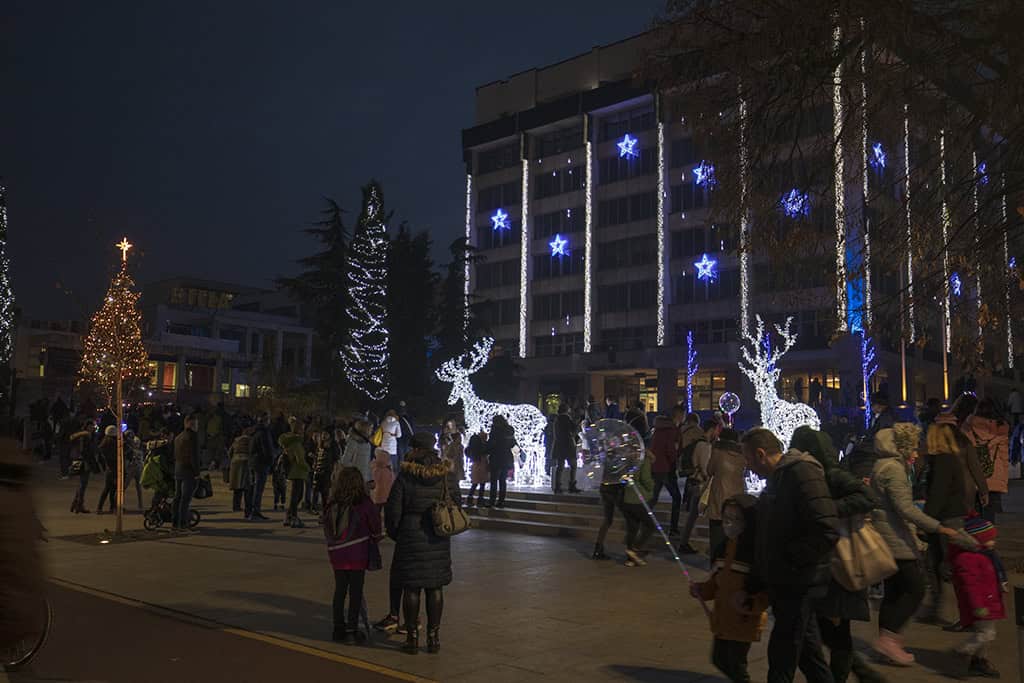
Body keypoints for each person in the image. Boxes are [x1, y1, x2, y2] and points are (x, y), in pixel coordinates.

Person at [740, 427, 838, 683]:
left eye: (749, 460)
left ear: (761, 454)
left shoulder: (801, 473)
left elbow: (826, 529)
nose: (748, 467)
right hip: (787, 579)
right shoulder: (778, 478)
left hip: (800, 580)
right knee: (808, 653)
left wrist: (791, 560)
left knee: (782, 652)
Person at [790, 426, 884, 683]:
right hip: (826, 560)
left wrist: (829, 510)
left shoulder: (831, 474)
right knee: (826, 630)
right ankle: (862, 674)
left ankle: (846, 676)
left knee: (836, 630)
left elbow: (867, 497)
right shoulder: (809, 473)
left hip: (840, 561)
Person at [871, 424, 966, 665]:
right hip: (897, 538)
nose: (916, 453)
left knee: (894, 591)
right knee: (915, 589)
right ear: (900, 448)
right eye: (912, 448)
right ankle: (889, 640)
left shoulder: (882, 465)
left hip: (888, 536)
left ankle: (888, 643)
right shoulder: (893, 469)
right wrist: (937, 526)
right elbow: (904, 508)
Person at [385, 432, 462, 654]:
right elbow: (456, 501)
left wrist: (397, 533)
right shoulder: (446, 473)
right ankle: (433, 637)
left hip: (410, 534)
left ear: (415, 449)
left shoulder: (406, 475)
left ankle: (412, 637)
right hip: (437, 535)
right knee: (435, 587)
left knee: (411, 587)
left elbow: (393, 509)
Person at [692, 494, 770, 683]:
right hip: (723, 617)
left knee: (736, 665)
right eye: (727, 519)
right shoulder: (723, 548)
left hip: (743, 619)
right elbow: (717, 582)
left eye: (737, 519)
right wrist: (702, 590)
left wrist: (751, 603)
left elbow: (766, 588)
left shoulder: (756, 552)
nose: (730, 524)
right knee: (719, 659)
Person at [918, 420, 970, 626]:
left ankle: (966, 613)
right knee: (940, 564)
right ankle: (941, 608)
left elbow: (938, 493)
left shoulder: (943, 460)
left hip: (945, 518)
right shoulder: (949, 459)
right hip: (951, 516)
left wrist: (926, 520)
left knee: (948, 566)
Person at [323, 466, 381, 644]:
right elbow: (376, 527)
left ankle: (337, 628)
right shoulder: (363, 503)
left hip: (337, 554)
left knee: (339, 591)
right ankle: (351, 630)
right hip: (358, 554)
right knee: (356, 593)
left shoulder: (332, 503)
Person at [948, 516, 1006, 678]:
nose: (993, 542)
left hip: (989, 601)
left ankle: (978, 660)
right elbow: (970, 587)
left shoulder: (981, 554)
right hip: (982, 605)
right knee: (987, 634)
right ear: (977, 540)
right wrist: (978, 605)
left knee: (985, 634)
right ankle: (962, 651)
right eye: (990, 539)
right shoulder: (968, 558)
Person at [963, 398, 1010, 523]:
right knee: (990, 514)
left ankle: (976, 538)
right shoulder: (1001, 429)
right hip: (994, 475)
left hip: (973, 475)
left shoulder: (968, 427)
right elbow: (1004, 457)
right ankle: (987, 537)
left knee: (973, 513)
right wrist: (1003, 480)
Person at [704, 428, 746, 555]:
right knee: (734, 533)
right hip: (737, 496)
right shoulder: (742, 454)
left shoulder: (717, 451)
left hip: (720, 495)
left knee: (717, 531)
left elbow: (709, 470)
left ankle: (716, 560)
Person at [678, 416, 712, 555]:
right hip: (699, 484)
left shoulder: (697, 443)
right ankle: (685, 543)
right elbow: (705, 468)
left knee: (692, 515)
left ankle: (684, 542)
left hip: (692, 482)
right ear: (712, 430)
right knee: (701, 514)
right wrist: (708, 478)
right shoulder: (704, 446)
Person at [620, 449, 655, 567]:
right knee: (650, 525)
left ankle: (630, 559)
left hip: (626, 499)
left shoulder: (627, 460)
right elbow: (646, 479)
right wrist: (652, 487)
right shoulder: (644, 460)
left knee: (632, 528)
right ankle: (635, 549)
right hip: (638, 499)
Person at [649, 415, 682, 535]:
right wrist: (675, 459)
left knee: (653, 497)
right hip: (666, 468)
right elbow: (671, 450)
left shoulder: (656, 431)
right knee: (676, 497)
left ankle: (643, 521)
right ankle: (673, 528)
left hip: (654, 467)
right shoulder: (671, 431)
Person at [279, 417, 309, 528]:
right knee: (297, 495)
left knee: (296, 495)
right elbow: (300, 460)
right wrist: (308, 468)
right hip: (298, 471)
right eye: (302, 428)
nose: (304, 430)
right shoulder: (296, 443)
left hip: (293, 471)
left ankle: (289, 515)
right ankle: (293, 517)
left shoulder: (290, 441)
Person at [173, 414, 200, 532]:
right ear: (191, 423)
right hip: (188, 471)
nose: (197, 426)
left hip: (178, 469)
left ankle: (175, 523)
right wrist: (197, 472)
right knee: (185, 499)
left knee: (178, 498)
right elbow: (194, 456)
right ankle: (183, 524)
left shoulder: (178, 437)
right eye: (196, 423)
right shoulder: (192, 437)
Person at [69, 421, 98, 514]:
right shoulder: (86, 436)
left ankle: (75, 503)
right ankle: (79, 505)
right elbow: (85, 451)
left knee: (81, 484)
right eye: (92, 426)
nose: (93, 427)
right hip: (84, 462)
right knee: (83, 484)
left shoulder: (81, 435)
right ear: (88, 427)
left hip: (78, 460)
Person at [487, 415, 516, 508]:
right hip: (506, 458)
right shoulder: (509, 431)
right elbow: (513, 445)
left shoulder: (495, 431)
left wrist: (484, 450)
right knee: (503, 481)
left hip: (496, 458)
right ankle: (501, 501)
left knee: (494, 481)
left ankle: (492, 501)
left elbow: (491, 444)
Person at [550, 404, 580, 494]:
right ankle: (572, 485)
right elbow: (573, 430)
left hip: (559, 445)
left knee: (560, 466)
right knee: (573, 465)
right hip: (568, 445)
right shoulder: (566, 418)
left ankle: (557, 486)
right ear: (567, 410)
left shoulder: (557, 419)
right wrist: (577, 423)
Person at [228, 425, 253, 517]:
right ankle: (248, 508)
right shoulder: (250, 440)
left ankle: (236, 506)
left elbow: (229, 452)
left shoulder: (236, 440)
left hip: (235, 463)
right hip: (246, 463)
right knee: (247, 487)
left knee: (237, 487)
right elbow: (252, 451)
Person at [342, 420, 374, 485]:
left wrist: (370, 479)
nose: (371, 430)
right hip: (354, 479)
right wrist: (356, 469)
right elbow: (345, 461)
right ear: (364, 429)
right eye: (370, 428)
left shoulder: (367, 444)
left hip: (364, 479)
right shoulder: (353, 443)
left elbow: (367, 463)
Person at [95, 425, 118, 514]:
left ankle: (106, 507)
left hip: (109, 469)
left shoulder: (104, 443)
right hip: (113, 469)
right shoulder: (112, 443)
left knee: (109, 489)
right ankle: (108, 507)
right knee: (110, 489)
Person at [465, 429, 489, 507]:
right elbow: (486, 454)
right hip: (482, 467)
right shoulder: (482, 448)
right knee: (482, 485)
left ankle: (469, 499)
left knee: (474, 484)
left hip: (475, 467)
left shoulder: (471, 450)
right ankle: (480, 500)